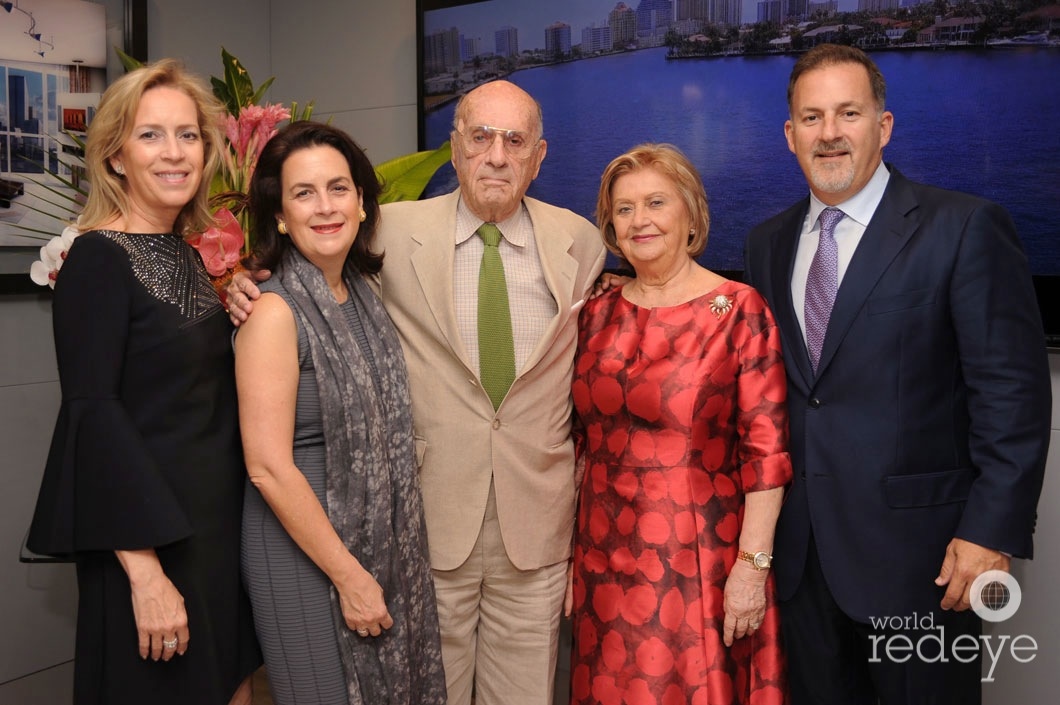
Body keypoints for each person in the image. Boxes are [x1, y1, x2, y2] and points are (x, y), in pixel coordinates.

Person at [228, 80, 607, 705]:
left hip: (536, 529)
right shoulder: (385, 233)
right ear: (454, 149)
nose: (497, 155)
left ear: (540, 157)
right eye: (480, 137)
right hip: (426, 527)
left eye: (516, 141)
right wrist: (245, 283)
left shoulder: (581, 242)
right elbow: (305, 274)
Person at [743, 44, 1051, 705]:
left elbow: (1013, 396)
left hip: (925, 562)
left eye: (848, 113)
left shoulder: (964, 227)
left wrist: (992, 531)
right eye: (812, 116)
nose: (830, 133)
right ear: (789, 135)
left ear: (883, 126)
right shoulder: (764, 244)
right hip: (802, 563)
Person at [26, 59, 261, 704]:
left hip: (214, 533)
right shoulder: (96, 259)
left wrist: (238, 301)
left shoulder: (189, 255)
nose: (175, 153)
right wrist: (145, 573)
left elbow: (191, 384)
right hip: (149, 540)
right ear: (116, 156)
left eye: (188, 134)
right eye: (151, 135)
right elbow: (92, 419)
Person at [570, 143, 791, 704]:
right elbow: (576, 441)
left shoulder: (740, 311)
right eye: (623, 209)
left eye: (656, 202)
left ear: (690, 214)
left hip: (698, 562)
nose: (639, 220)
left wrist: (751, 567)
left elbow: (766, 454)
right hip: (600, 558)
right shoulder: (595, 313)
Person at [234, 121, 446, 705]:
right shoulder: (273, 311)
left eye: (338, 188)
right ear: (279, 214)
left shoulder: (360, 293)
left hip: (372, 542)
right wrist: (350, 576)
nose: (324, 207)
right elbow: (267, 467)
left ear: (361, 203)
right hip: (302, 554)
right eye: (303, 193)